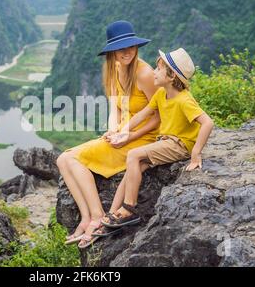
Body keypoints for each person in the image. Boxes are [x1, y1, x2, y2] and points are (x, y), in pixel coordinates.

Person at [56, 20, 160, 248]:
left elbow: (158, 116)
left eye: (131, 46)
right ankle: (86, 217)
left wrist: (127, 136)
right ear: (112, 51)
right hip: (122, 134)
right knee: (62, 159)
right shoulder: (114, 69)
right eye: (121, 48)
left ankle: (97, 216)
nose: (127, 52)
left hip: (142, 137)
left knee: (73, 158)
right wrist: (113, 129)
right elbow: (116, 107)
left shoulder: (145, 74)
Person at [101, 48, 214, 229]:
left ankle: (129, 209)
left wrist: (196, 153)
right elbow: (142, 115)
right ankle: (114, 212)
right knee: (133, 167)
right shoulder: (161, 94)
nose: (153, 72)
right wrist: (120, 130)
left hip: (179, 145)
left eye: (159, 69)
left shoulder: (184, 100)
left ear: (171, 77)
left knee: (133, 155)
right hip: (165, 142)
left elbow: (207, 122)